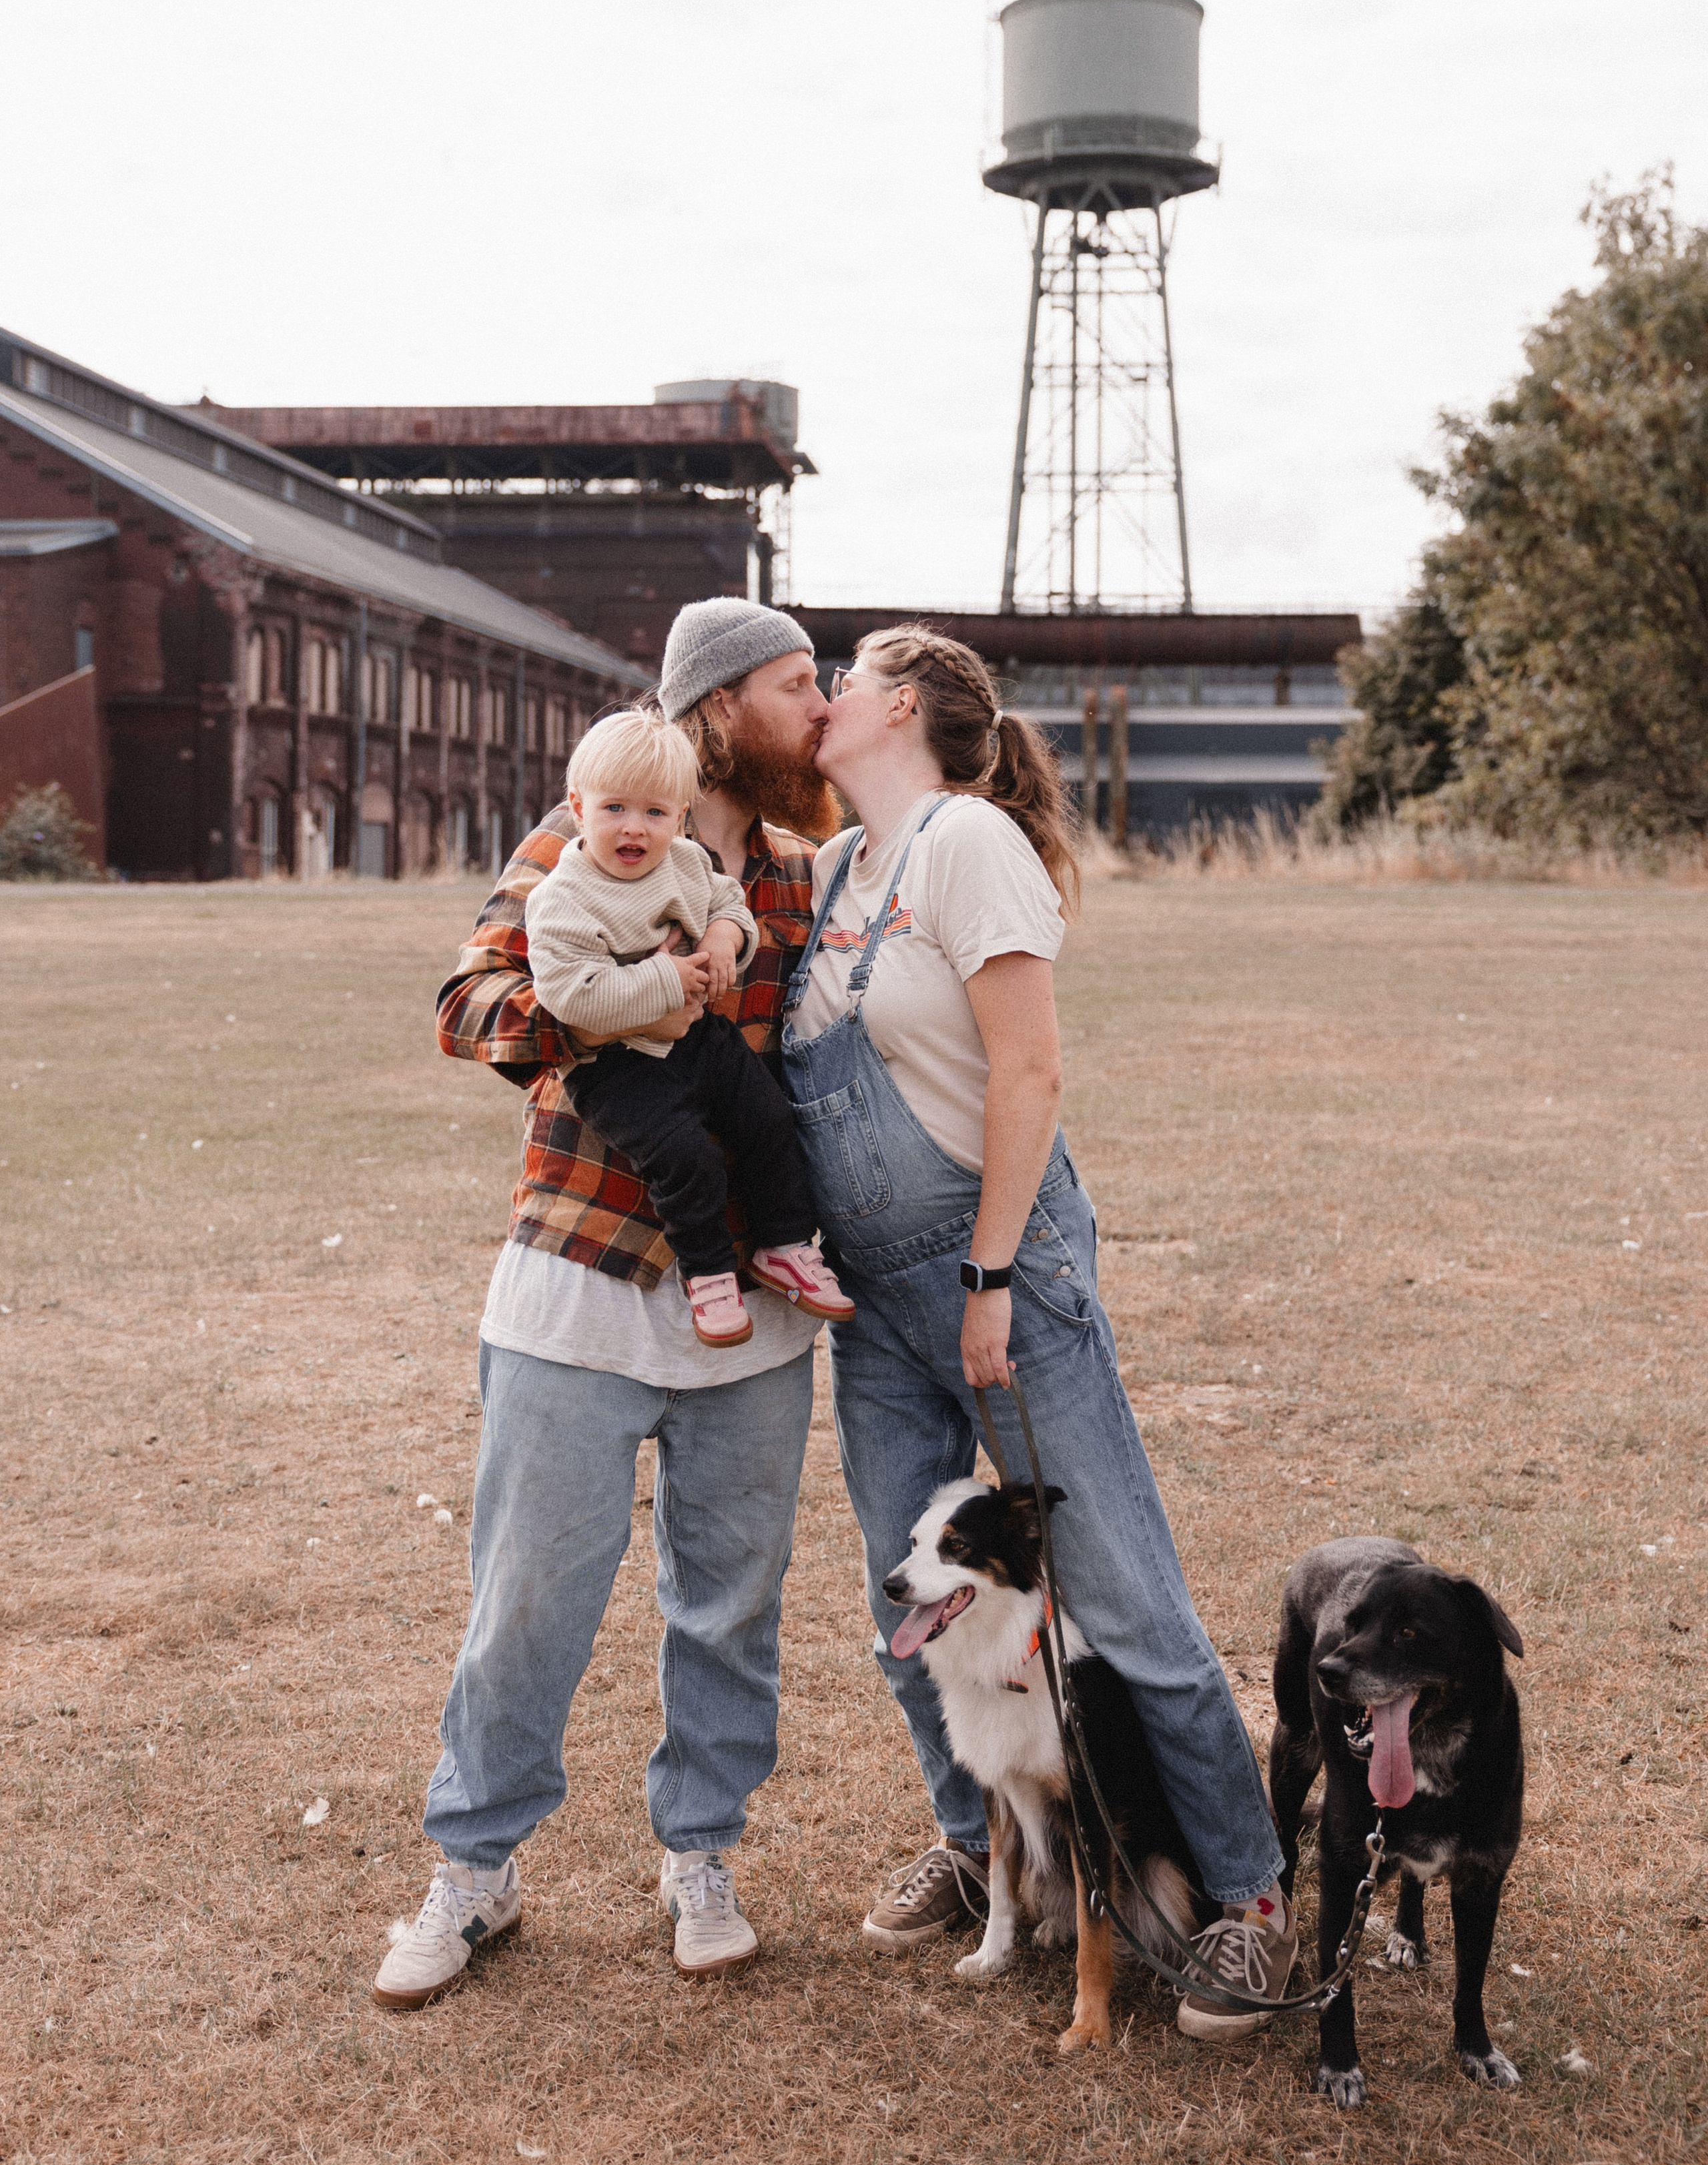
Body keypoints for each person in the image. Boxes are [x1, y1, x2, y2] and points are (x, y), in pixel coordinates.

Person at [781, 625, 1296, 2042]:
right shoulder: (835, 871)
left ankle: (1247, 1903)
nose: (823, 691)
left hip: (998, 1273)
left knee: (1124, 1602)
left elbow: (1029, 1065)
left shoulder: (966, 843)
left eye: (845, 671)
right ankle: (981, 1850)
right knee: (915, 1607)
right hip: (873, 1304)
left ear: (898, 705)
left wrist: (991, 1275)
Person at [373, 598, 844, 2010]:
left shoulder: (798, 873)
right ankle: (475, 1870)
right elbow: (469, 1002)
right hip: (576, 1279)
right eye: (792, 685)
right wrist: (618, 1012)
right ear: (714, 708)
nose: (817, 710)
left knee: (729, 1606)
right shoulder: (587, 838)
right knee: (526, 1601)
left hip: (751, 1297)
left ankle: (699, 1854)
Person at [524, 707, 852, 1346]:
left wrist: (729, 936)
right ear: (576, 805)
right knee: (686, 1158)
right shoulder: (562, 894)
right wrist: (668, 980)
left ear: (682, 814)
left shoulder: (687, 862)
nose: (633, 829)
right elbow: (570, 995)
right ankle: (709, 1278)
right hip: (617, 1067)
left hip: (702, 1040)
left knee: (768, 1117)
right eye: (614, 808)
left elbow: (726, 900)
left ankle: (783, 1245)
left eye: (655, 812)